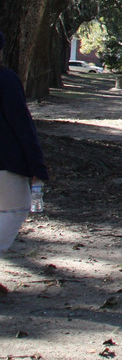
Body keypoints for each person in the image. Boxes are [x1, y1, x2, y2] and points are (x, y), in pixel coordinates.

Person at [0, 32, 49, 254]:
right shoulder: (6, 80)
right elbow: (21, 125)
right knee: (16, 208)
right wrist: (36, 166)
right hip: (5, 162)